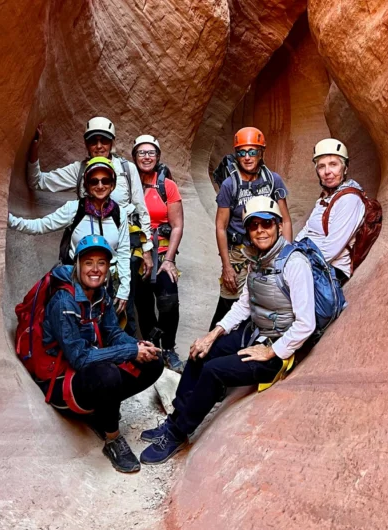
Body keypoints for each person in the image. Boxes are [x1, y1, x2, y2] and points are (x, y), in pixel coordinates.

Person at [139, 196, 316, 465]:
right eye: (253, 225)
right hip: (254, 333)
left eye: (266, 224)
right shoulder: (258, 260)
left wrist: (271, 352)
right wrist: (212, 335)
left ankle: (178, 432)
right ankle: (176, 417)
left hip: (278, 350)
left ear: (279, 225)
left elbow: (306, 323)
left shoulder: (294, 263)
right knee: (199, 353)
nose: (260, 230)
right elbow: (243, 306)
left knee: (214, 371)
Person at [37, 235, 163, 473]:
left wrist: (139, 347)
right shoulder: (64, 301)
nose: (95, 269)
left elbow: (113, 332)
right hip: (61, 384)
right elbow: (79, 357)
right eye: (88, 262)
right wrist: (129, 351)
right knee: (109, 375)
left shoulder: (101, 294)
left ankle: (102, 410)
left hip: (87, 374)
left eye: (102, 263)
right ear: (78, 265)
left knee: (154, 362)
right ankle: (112, 438)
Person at [27, 117, 154, 331]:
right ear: (86, 144)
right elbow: (38, 181)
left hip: (121, 246)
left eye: (104, 140)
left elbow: (141, 209)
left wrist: (147, 249)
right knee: (84, 311)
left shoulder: (126, 169)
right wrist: (34, 148)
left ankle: (127, 353)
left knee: (124, 308)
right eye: (93, 141)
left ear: (112, 142)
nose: (99, 146)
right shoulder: (79, 170)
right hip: (87, 252)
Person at [9, 157, 131, 313]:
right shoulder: (74, 209)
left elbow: (124, 252)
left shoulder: (119, 213)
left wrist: (124, 290)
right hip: (76, 284)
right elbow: (40, 226)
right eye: (94, 181)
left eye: (105, 180)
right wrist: (9, 220)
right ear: (86, 184)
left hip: (107, 284)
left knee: (105, 330)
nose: (100, 186)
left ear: (112, 184)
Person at [210, 126, 292, 330]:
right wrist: (226, 266)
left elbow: (286, 220)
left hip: (268, 251)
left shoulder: (273, 180)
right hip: (239, 254)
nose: (247, 157)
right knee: (230, 304)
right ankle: (211, 344)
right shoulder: (230, 185)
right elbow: (221, 227)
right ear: (236, 155)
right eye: (242, 152)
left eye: (252, 151)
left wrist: (287, 256)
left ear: (261, 152)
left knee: (266, 299)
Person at [130, 135, 184, 373]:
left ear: (158, 157)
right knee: (143, 304)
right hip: (137, 254)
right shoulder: (126, 185)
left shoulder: (166, 186)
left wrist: (170, 259)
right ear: (134, 157)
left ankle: (169, 349)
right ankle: (153, 350)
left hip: (161, 251)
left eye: (151, 153)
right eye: (141, 153)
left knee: (169, 301)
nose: (146, 157)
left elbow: (177, 225)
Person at [295, 138, 366, 284]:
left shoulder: (350, 200)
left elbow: (331, 250)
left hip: (329, 271)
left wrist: (293, 266)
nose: (327, 172)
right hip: (309, 262)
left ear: (345, 168)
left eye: (333, 164)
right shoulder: (326, 198)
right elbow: (306, 230)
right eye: (321, 166)